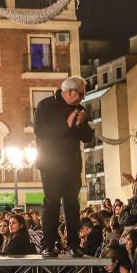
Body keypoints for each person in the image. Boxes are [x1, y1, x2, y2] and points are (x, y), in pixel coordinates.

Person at [34, 77, 94, 257]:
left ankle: (74, 245)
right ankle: (48, 245)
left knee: (72, 205)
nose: (83, 98)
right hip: (51, 163)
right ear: (70, 92)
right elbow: (41, 132)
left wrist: (81, 123)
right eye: (81, 94)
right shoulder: (45, 105)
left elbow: (87, 137)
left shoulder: (79, 109)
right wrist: (66, 124)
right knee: (51, 203)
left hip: (71, 165)